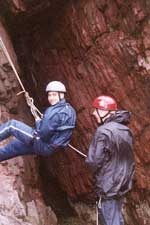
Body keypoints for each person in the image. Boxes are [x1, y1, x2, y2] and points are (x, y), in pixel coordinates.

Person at [86, 95, 135, 225]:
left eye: (96, 110)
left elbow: (93, 161)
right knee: (116, 218)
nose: (93, 113)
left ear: (104, 112)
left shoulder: (102, 132)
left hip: (108, 185)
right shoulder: (126, 130)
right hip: (123, 183)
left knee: (109, 220)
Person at [0, 81, 76, 162]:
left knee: (11, 125)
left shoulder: (53, 112)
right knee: (16, 146)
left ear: (61, 95)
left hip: (42, 142)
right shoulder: (70, 110)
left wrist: (38, 121)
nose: (51, 98)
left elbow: (42, 133)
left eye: (54, 95)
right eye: (49, 95)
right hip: (50, 148)